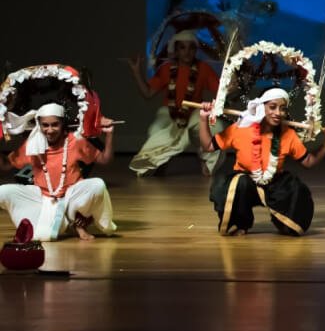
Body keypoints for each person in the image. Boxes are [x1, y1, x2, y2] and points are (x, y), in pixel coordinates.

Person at [197, 89, 325, 236]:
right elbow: (208, 146)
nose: (278, 113)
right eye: (272, 107)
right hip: (246, 183)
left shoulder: (288, 134)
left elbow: (309, 162)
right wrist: (203, 119)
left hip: (274, 183)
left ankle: (283, 223)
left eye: (282, 109)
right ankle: (238, 222)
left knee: (295, 194)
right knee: (238, 183)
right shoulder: (241, 128)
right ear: (261, 107)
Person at [0, 102, 116, 241]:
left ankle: (77, 221)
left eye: (55, 124)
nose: (50, 130)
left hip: (71, 195)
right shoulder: (32, 144)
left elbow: (104, 160)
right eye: (45, 125)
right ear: (39, 125)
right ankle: (68, 223)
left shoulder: (75, 141)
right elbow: (6, 165)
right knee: (3, 192)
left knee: (97, 185)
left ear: (63, 125)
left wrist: (109, 135)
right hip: (41, 197)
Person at [125, 29, 221, 176]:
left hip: (196, 113)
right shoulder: (166, 69)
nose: (187, 52)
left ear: (195, 50)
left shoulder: (203, 68)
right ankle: (159, 162)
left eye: (191, 48)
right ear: (176, 50)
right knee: (155, 130)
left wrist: (231, 84)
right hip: (169, 112)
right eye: (182, 47)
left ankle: (208, 163)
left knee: (216, 127)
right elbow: (148, 93)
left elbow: (220, 91)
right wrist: (136, 72)